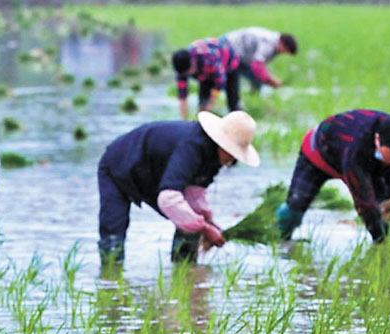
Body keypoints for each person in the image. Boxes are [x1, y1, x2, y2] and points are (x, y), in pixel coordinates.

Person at [97, 110, 260, 266]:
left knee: (191, 221)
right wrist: (205, 228)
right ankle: (110, 279)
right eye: (231, 153)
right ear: (220, 142)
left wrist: (209, 223)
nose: (231, 160)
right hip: (117, 166)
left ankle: (186, 273)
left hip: (151, 173)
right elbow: (168, 199)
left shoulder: (214, 156)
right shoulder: (191, 146)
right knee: (113, 239)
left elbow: (195, 194)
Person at [276, 110, 390, 243]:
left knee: (386, 208)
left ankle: (388, 242)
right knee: (296, 205)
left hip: (366, 160)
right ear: (377, 139)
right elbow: (364, 203)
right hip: (318, 155)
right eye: (387, 157)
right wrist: (383, 240)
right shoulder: (356, 147)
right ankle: (278, 237)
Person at [172, 38, 241, 120]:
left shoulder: (208, 60)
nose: (189, 74)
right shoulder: (182, 69)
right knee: (203, 102)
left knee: (232, 99)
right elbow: (182, 95)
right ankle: (202, 121)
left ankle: (237, 119)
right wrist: (183, 118)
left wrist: (210, 104)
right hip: (204, 71)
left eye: (189, 71)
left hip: (229, 63)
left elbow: (220, 82)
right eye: (186, 73)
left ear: (193, 62)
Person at [223, 27, 297, 92]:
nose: (283, 53)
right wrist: (271, 80)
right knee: (224, 78)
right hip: (228, 46)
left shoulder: (275, 42)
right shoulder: (269, 44)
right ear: (282, 44)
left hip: (240, 55)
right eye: (285, 51)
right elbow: (257, 66)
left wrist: (267, 79)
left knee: (256, 78)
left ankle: (254, 96)